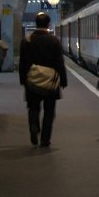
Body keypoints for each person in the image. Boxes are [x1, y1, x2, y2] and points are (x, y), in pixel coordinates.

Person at [19, 12, 68, 147]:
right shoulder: (54, 41)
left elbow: (23, 63)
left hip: (32, 81)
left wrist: (23, 80)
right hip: (50, 82)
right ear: (48, 24)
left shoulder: (27, 41)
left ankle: (34, 127)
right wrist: (63, 80)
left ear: (36, 24)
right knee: (49, 111)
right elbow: (59, 62)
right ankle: (45, 139)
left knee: (33, 108)